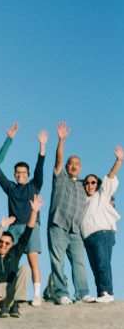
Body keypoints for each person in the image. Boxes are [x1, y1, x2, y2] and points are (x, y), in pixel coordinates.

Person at [0, 130, 47, 306]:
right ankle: (5, 293)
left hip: (31, 226)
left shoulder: (34, 186)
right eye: (17, 172)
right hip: (14, 229)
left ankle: (37, 294)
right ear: (14, 174)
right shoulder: (11, 188)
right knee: (10, 260)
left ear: (27, 174)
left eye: (23, 172)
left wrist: (42, 145)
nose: (20, 174)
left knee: (32, 260)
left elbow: (40, 167)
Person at [45, 122, 89, 304]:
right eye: (71, 164)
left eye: (77, 164)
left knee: (79, 262)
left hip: (75, 230)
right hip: (58, 225)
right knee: (58, 260)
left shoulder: (84, 186)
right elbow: (58, 161)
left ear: (80, 168)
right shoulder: (60, 177)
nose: (73, 166)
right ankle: (62, 292)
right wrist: (61, 141)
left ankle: (82, 293)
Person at [0, 196, 43, 317]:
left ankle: (15, 304)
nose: (3, 245)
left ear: (11, 245)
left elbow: (28, 232)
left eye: (7, 243)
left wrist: (34, 212)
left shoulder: (14, 253)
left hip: (10, 293)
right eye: (1, 242)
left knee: (25, 268)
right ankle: (1, 304)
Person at [81, 145, 122, 303]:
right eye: (86, 183)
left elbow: (110, 177)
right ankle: (102, 293)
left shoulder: (102, 195)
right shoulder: (83, 201)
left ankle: (107, 292)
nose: (90, 185)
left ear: (97, 184)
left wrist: (118, 161)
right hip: (88, 237)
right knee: (95, 267)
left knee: (102, 263)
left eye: (93, 182)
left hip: (102, 233)